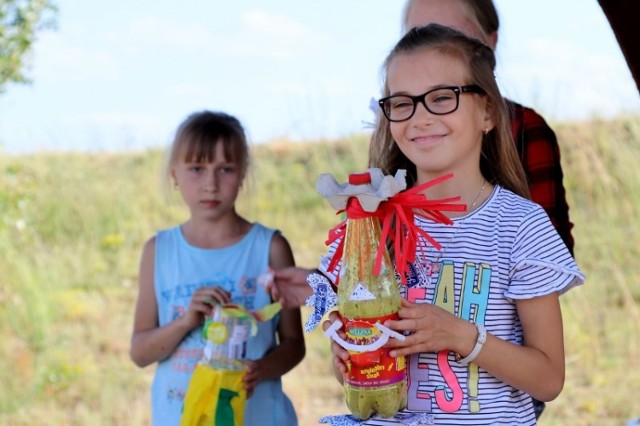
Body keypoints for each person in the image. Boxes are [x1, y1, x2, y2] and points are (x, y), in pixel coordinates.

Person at [271, 24, 584, 424]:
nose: (419, 118)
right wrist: (349, 357)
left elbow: (548, 379)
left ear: (488, 111)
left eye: (441, 98)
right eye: (401, 103)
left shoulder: (521, 226)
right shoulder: (370, 225)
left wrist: (460, 336)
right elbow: (353, 372)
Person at [129, 110, 305, 426]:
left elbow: (294, 345)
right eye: (196, 168)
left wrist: (260, 370)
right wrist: (186, 321)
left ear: (243, 173)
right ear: (174, 174)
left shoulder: (270, 247)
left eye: (225, 169)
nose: (210, 184)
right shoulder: (158, 251)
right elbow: (140, 353)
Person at [398, 0, 575, 255]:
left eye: (451, 36)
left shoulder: (526, 129)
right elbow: (349, 271)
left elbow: (549, 258)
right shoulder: (400, 131)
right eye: (416, 36)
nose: (430, 52)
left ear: (491, 42)